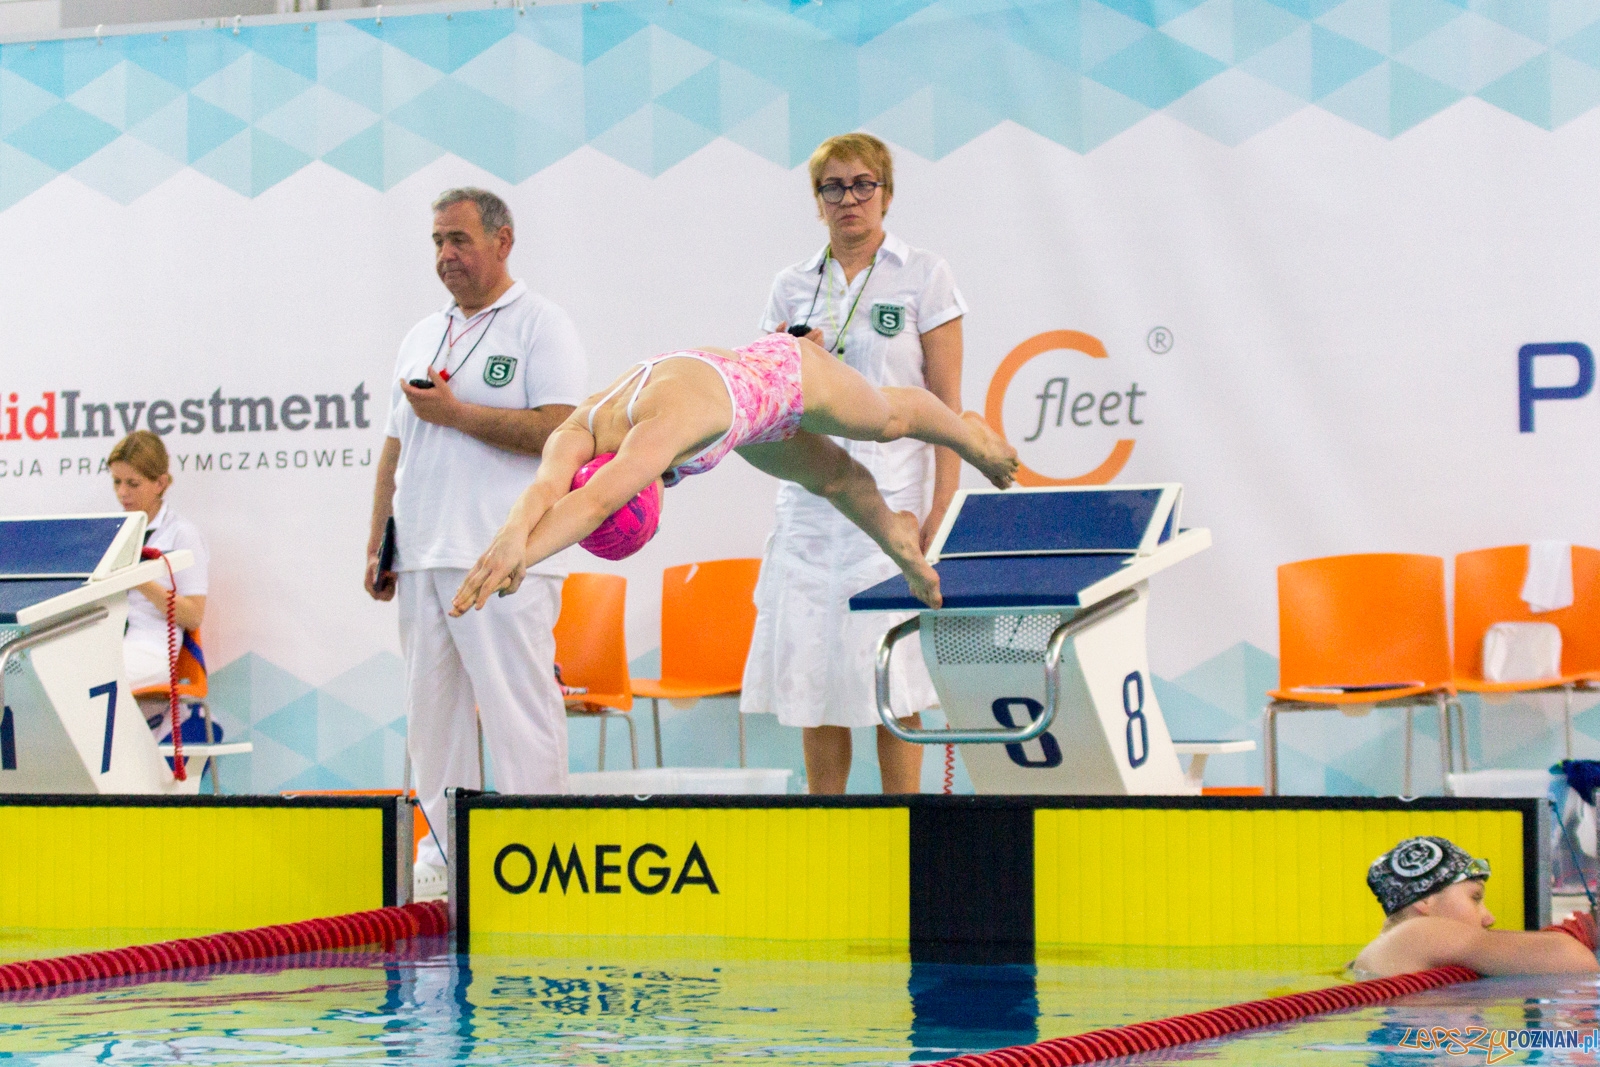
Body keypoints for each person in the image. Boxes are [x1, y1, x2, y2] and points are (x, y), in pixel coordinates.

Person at [450, 332, 1017, 618]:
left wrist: (528, 552)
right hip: (745, 426)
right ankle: (895, 532)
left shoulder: (662, 428)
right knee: (835, 480)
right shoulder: (579, 428)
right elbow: (549, 489)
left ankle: (970, 436)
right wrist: (508, 541)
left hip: (786, 376)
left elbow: (595, 504)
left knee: (888, 419)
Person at [365, 187, 587, 901]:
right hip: (424, 550)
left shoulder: (541, 326)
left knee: (518, 709)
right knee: (431, 718)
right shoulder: (419, 333)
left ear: (503, 240)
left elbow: (562, 432)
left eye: (458, 239)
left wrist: (459, 413)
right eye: (436, 241)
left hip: (506, 555)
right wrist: (379, 541)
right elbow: (396, 444)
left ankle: (540, 845)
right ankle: (445, 854)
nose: (446, 255)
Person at [741, 132, 966, 795]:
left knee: (891, 686)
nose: (849, 199)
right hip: (811, 511)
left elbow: (948, 407)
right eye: (833, 187)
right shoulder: (791, 287)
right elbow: (763, 409)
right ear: (817, 202)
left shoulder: (924, 274)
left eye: (863, 184)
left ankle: (908, 831)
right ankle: (826, 832)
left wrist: (942, 509)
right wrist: (793, 360)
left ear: (886, 194)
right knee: (815, 685)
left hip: (891, 510)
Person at [1352, 836, 1599, 977]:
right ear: (1424, 900)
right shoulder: (1415, 932)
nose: (1489, 918)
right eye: (1475, 897)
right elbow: (1573, 959)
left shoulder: (1387, 951)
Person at [108, 431, 211, 740]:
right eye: (116, 482)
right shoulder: (112, 533)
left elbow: (193, 615)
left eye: (133, 483)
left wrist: (138, 578)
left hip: (151, 649)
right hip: (108, 643)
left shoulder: (181, 534)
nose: (123, 493)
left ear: (161, 483)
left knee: (95, 681)